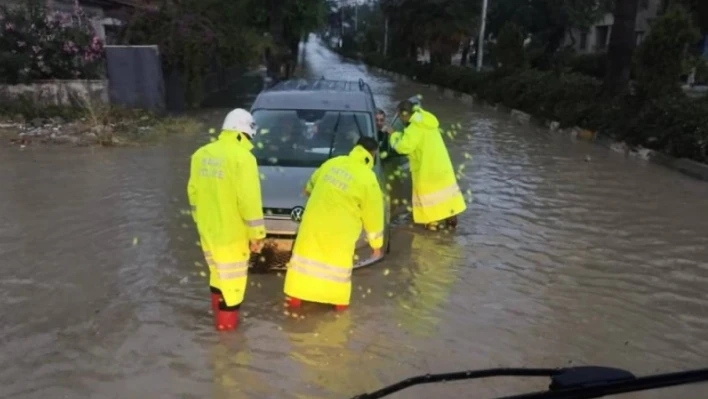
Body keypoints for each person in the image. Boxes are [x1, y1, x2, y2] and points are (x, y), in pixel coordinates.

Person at [283, 136, 384, 311]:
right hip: (340, 235)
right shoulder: (368, 179)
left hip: (312, 228)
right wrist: (376, 245)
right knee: (336, 276)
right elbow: (373, 215)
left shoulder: (332, 163)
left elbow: (308, 188)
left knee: (302, 270)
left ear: (355, 148)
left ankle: (294, 306)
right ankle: (338, 316)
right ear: (373, 154)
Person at [187, 108, 266, 331]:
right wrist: (257, 235)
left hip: (207, 231)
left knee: (217, 275)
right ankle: (227, 340)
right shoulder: (244, 158)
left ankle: (216, 323)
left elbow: (192, 192)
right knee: (232, 286)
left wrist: (199, 220)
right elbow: (249, 201)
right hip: (232, 234)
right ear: (242, 133)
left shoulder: (201, 154)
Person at [384, 100, 466, 230]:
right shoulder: (426, 120)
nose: (400, 119)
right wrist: (401, 133)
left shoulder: (414, 128)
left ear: (405, 115)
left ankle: (432, 228)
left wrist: (393, 135)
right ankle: (451, 223)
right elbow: (413, 139)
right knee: (447, 197)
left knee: (429, 201)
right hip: (442, 167)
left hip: (427, 170)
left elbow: (403, 147)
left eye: (400, 116)